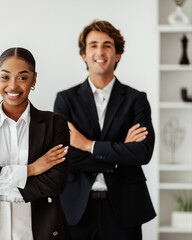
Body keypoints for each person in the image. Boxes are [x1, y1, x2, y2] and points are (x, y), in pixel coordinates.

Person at [0, 47, 72, 240]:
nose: (13, 86)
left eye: (22, 77)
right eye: (5, 77)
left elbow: (56, 183)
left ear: (34, 79)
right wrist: (31, 170)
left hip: (38, 224)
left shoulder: (54, 124)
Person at [54, 20, 156, 240]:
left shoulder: (136, 100)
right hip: (77, 208)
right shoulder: (66, 100)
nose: (100, 51)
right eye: (93, 45)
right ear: (84, 54)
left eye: (107, 45)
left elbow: (143, 152)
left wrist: (87, 145)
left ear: (117, 54)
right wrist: (120, 155)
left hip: (124, 208)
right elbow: (64, 156)